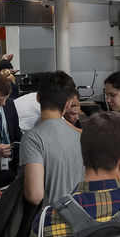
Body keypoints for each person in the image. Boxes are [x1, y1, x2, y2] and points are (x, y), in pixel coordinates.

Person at [22, 71, 81, 205]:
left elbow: (35, 196)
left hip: (50, 221)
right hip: (81, 218)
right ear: (69, 103)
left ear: (37, 97)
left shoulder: (32, 138)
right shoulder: (80, 136)